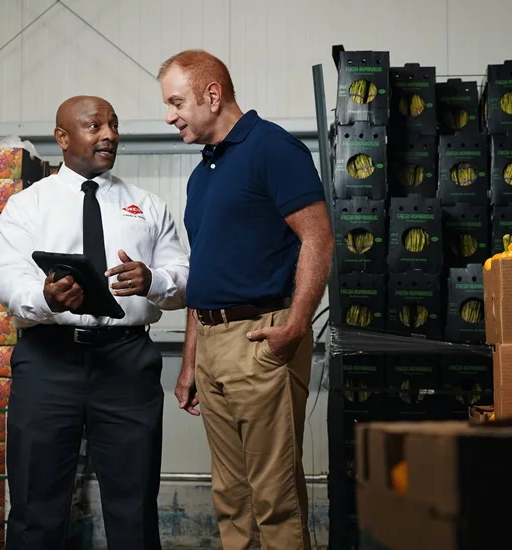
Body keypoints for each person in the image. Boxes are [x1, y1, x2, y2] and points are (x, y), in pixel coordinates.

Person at [0, 95, 190, 550]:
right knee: (35, 504)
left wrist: (152, 279)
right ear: (63, 137)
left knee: (133, 504)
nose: (110, 135)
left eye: (113, 125)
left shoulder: (148, 206)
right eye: (95, 126)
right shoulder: (26, 206)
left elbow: (184, 282)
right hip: (48, 361)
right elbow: (8, 278)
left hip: (127, 360)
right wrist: (46, 295)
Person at [157, 50, 335, 550]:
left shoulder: (272, 148)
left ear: (212, 96)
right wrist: (190, 362)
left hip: (261, 337)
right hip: (212, 344)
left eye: (176, 102)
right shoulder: (202, 174)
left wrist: (295, 327)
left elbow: (318, 239)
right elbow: (205, 271)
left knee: (275, 499)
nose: (169, 116)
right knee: (231, 497)